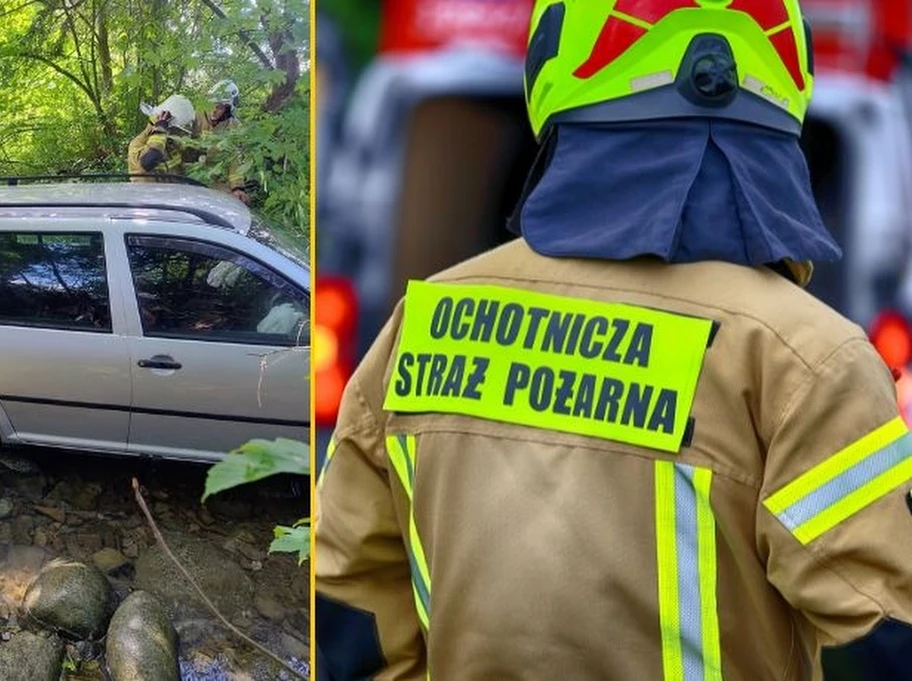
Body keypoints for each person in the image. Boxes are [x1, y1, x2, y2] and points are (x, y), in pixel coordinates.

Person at [315, 2, 912, 680]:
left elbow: (346, 594)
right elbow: (884, 625)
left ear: (552, 70)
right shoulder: (810, 360)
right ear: (784, 87)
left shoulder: (424, 320)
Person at [192, 80, 251, 205]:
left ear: (227, 110)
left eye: (219, 107)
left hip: (218, 176)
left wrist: (237, 187)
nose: (214, 110)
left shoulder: (234, 126)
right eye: (212, 105)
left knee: (229, 203)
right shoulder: (196, 116)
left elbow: (235, 158)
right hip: (192, 171)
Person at [127, 94, 196, 182]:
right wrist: (160, 130)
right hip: (147, 191)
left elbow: (187, 161)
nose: (177, 134)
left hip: (173, 190)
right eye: (175, 130)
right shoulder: (137, 144)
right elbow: (150, 161)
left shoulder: (172, 144)